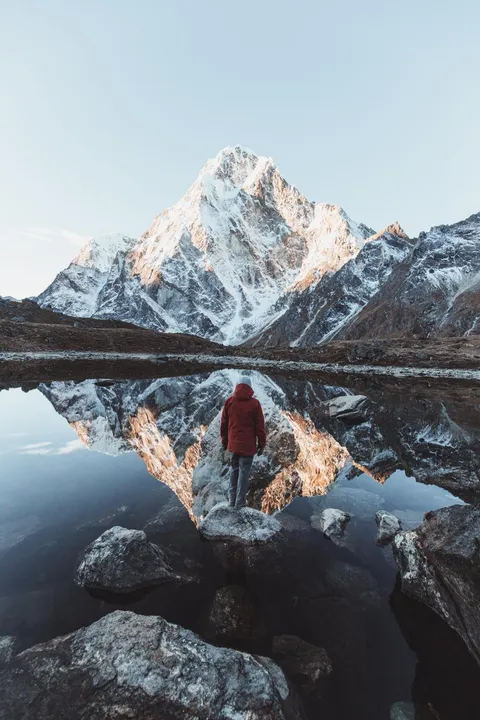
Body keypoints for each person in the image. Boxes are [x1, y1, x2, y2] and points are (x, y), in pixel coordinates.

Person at [220, 375, 266, 509]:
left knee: (234, 471)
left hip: (233, 445)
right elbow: (260, 427)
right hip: (248, 447)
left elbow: (223, 424)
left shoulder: (229, 402)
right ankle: (239, 504)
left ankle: (231, 501)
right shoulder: (255, 404)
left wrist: (224, 441)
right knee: (244, 474)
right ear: (250, 387)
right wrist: (261, 444)